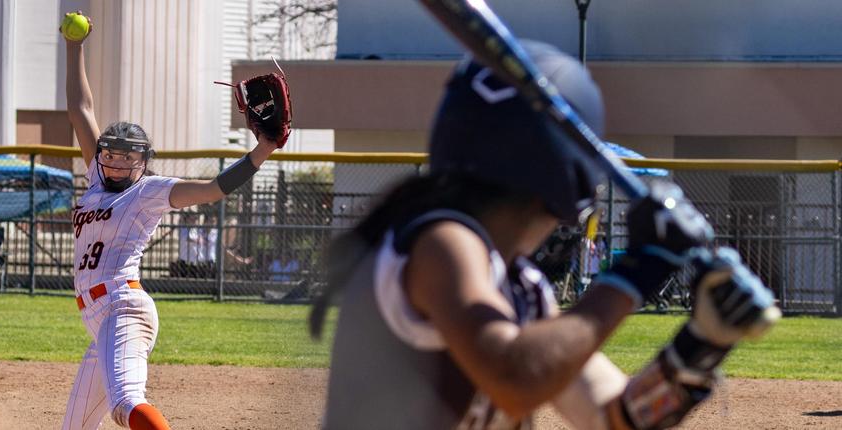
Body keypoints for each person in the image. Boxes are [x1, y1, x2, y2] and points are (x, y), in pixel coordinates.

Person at [312, 41, 779, 429]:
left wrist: (700, 346)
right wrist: (641, 268)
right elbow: (515, 379)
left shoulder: (523, 292)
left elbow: (615, 417)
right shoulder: (443, 243)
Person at [61, 12, 286, 430]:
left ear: (143, 162)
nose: (115, 160)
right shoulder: (95, 178)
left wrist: (263, 152)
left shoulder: (148, 191)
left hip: (122, 307)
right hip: (98, 317)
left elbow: (214, 188)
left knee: (126, 403)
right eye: (110, 153)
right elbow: (79, 108)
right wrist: (74, 47)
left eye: (128, 155)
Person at [170, 206, 252, 279]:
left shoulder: (213, 233)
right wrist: (199, 240)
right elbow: (188, 238)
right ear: (205, 222)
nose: (194, 220)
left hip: (206, 264)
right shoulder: (186, 229)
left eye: (195, 218)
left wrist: (240, 259)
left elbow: (224, 249)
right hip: (187, 264)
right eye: (192, 218)